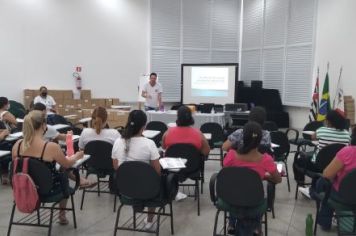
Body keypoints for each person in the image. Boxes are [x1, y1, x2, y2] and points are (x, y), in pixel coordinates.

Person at [11, 110, 84, 225]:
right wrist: (77, 156)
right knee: (63, 176)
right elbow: (67, 164)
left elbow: (17, 168)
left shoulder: (17, 145)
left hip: (25, 189)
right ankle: (62, 215)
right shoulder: (51, 147)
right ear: (44, 125)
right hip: (49, 190)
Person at [223, 122, 282, 235]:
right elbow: (278, 180)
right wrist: (263, 176)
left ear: (243, 137)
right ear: (260, 140)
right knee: (257, 194)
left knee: (238, 190)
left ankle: (234, 223)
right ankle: (255, 226)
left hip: (232, 199)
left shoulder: (231, 155)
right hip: (254, 201)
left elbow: (227, 172)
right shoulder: (266, 159)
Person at [112, 110, 161, 229]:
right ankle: (149, 221)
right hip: (148, 191)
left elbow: (116, 167)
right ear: (144, 126)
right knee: (156, 180)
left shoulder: (118, 142)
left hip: (125, 190)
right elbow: (157, 172)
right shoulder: (149, 144)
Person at [294, 110, 351, 197]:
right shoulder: (347, 135)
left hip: (318, 166)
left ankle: (302, 184)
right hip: (336, 168)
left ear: (328, 121)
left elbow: (312, 138)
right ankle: (315, 185)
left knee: (297, 161)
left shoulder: (322, 130)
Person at [314, 127, 356, 230]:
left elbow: (327, 174)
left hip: (344, 196)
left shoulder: (348, 151)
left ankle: (325, 222)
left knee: (323, 182)